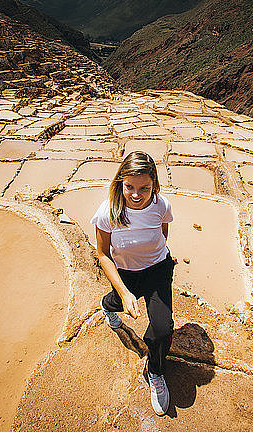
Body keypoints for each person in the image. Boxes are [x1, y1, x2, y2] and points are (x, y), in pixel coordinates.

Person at [90, 151, 175, 416]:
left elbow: (162, 233)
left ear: (155, 186)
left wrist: (153, 256)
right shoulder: (108, 212)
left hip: (158, 269)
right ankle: (107, 306)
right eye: (130, 187)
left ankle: (155, 371)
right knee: (117, 302)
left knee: (163, 329)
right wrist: (125, 293)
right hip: (126, 272)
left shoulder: (161, 205)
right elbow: (102, 254)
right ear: (120, 183)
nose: (136, 194)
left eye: (144, 188)